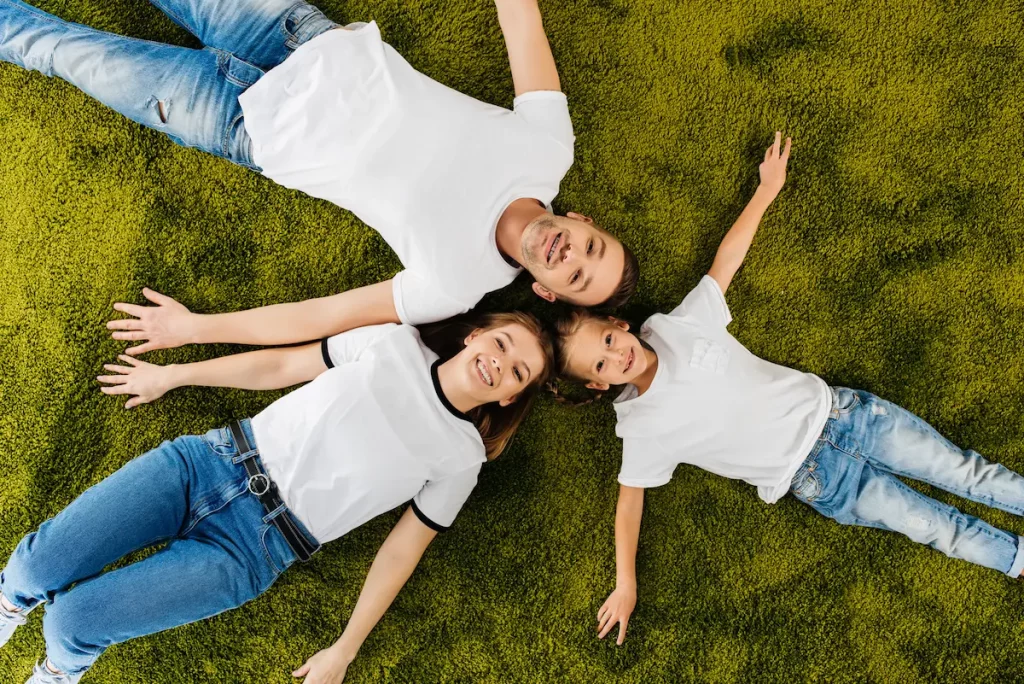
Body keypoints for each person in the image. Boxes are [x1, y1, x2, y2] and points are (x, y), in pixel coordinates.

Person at [552, 132, 1024, 645]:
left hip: (848, 416)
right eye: (602, 364)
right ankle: (1016, 560)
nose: (615, 356)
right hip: (820, 480)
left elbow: (724, 264)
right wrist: (626, 584)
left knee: (965, 471)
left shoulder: (675, 326)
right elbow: (629, 504)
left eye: (606, 339)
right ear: (600, 383)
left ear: (617, 325)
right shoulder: (640, 429)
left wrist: (766, 190)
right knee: (937, 527)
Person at [0, 0, 639, 346]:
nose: (569, 253)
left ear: (547, 292)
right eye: (591, 245)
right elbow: (520, 20)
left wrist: (196, 330)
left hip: (244, 127)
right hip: (291, 37)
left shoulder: (455, 286)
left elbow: (321, 318)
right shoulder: (549, 148)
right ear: (583, 222)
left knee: (62, 53)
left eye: (575, 275)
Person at [0, 311, 554, 683]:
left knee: (71, 624)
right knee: (30, 568)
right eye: (502, 343)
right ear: (475, 335)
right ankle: (8, 607)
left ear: (512, 394)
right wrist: (173, 376)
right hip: (206, 464)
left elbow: (402, 551)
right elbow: (284, 365)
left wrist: (346, 648)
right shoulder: (392, 342)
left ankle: (54, 675)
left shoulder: (462, 458)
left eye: (518, 371)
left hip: (253, 550)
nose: (501, 362)